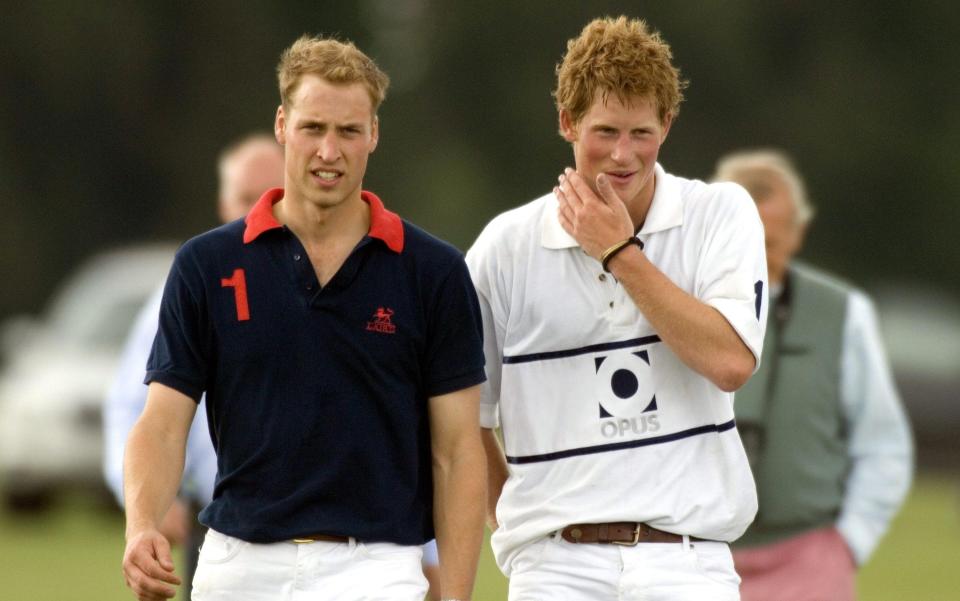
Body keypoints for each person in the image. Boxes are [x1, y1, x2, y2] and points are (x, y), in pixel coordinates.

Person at [120, 35, 487, 601]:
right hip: (236, 563)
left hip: (376, 568)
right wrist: (141, 523)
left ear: (374, 135)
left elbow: (458, 452)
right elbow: (163, 422)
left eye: (348, 131)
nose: (329, 151)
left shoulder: (434, 273)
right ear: (282, 125)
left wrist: (457, 595)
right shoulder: (205, 264)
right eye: (313, 128)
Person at [467, 16, 768, 601]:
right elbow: (465, 417)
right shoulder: (503, 249)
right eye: (604, 131)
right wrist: (517, 524)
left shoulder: (720, 214)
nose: (623, 155)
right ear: (567, 122)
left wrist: (619, 252)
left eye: (641, 133)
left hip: (690, 562)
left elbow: (731, 361)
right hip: (555, 567)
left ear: (668, 125)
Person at [712, 149, 913, 601]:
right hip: (695, 557)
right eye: (742, 240)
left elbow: (883, 442)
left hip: (807, 558)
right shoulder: (674, 304)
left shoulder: (845, 314)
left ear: (798, 231)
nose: (754, 260)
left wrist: (849, 542)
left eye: (769, 243)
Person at [103, 133, 285, 595]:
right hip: (217, 525)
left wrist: (425, 554)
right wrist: (147, 509)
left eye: (268, 194)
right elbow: (131, 408)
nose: (254, 208)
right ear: (224, 202)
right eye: (245, 196)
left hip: (334, 540)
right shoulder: (188, 287)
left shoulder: (326, 282)